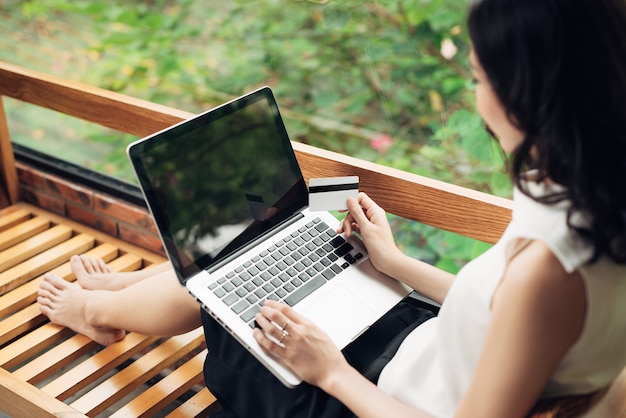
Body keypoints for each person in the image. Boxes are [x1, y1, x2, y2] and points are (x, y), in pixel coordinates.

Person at [37, 0, 626, 416]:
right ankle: (122, 289)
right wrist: (396, 264)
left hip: (373, 394)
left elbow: (527, 304)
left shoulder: (551, 268)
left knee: (225, 289)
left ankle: (98, 309)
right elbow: (516, 318)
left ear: (527, 89)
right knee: (259, 251)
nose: (476, 97)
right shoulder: (587, 192)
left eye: (476, 76)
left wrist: (329, 371)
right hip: (423, 344)